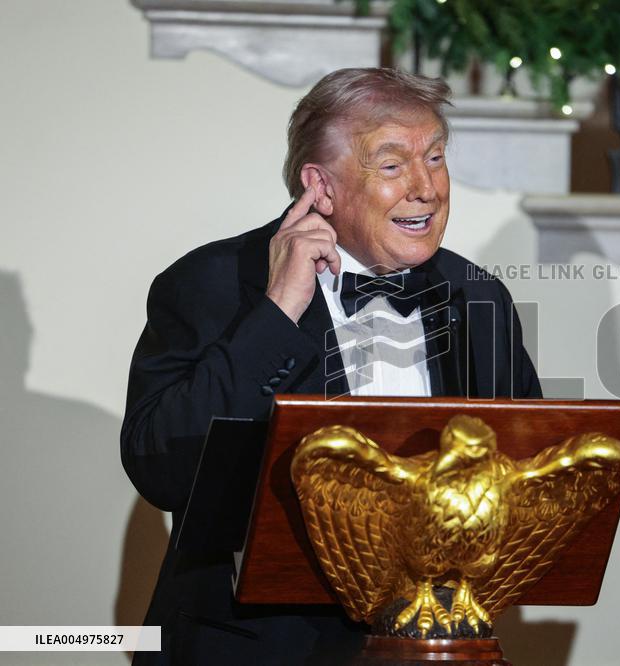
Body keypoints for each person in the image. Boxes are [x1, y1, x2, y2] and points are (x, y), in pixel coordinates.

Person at [121, 67, 541, 665]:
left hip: (429, 647)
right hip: (252, 649)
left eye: (436, 157)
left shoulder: (477, 296)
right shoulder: (211, 283)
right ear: (320, 186)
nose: (425, 187)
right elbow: (160, 467)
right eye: (392, 165)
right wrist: (277, 313)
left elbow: (518, 474)